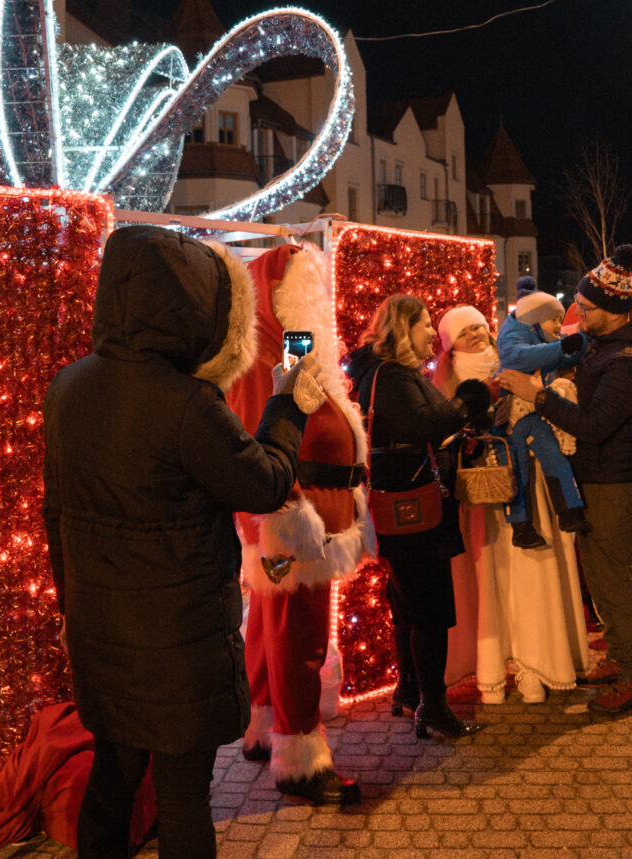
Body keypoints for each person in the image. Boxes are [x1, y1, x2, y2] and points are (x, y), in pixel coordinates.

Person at [43, 226, 313, 858]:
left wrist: (69, 610)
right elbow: (266, 482)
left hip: (102, 631)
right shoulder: (187, 403)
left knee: (111, 782)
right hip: (177, 639)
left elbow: (57, 514)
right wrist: (287, 403)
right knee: (184, 795)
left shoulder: (69, 386)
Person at [226, 244, 375, 805]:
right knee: (297, 634)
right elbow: (260, 437)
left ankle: (266, 728)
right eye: (309, 285)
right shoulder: (267, 356)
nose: (320, 298)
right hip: (292, 517)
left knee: (270, 624)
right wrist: (284, 512)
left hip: (300, 512)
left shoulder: (286, 347)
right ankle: (299, 757)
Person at [500, 243, 632, 716]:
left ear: (614, 311)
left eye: (587, 308)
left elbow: (594, 425)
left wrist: (538, 396)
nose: (579, 314)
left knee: (614, 578)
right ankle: (620, 658)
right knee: (599, 574)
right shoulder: (608, 343)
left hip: (615, 482)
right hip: (597, 477)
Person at [346, 294, 491, 739]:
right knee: (429, 611)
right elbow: (424, 424)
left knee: (409, 606)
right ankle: (433, 707)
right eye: (425, 324)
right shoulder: (392, 375)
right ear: (403, 330)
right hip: (416, 514)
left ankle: (411, 693)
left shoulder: (387, 373)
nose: (433, 332)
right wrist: (470, 402)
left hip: (408, 510)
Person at [432, 305, 589, 704]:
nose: (477, 335)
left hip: (526, 489)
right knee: (491, 585)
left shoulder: (513, 365)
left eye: (481, 328)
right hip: (481, 501)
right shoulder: (444, 386)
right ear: (451, 344)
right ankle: (493, 670)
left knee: (531, 577)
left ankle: (535, 664)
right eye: (466, 331)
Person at [497, 288, 590, 547]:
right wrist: (561, 347)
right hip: (511, 419)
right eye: (554, 320)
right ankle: (521, 527)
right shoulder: (511, 339)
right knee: (517, 471)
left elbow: (550, 357)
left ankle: (570, 512)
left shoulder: (536, 340)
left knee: (555, 458)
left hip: (532, 414)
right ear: (536, 319)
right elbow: (523, 356)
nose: (558, 326)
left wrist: (577, 346)